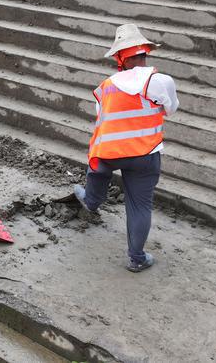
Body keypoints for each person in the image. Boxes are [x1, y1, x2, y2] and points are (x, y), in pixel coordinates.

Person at [73, 23, 179, 273]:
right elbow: (170, 109)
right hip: (144, 154)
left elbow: (102, 118)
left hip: (108, 153)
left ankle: (91, 201)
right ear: (145, 54)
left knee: (97, 172)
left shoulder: (106, 86)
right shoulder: (160, 80)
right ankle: (137, 258)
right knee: (139, 206)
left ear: (119, 58)